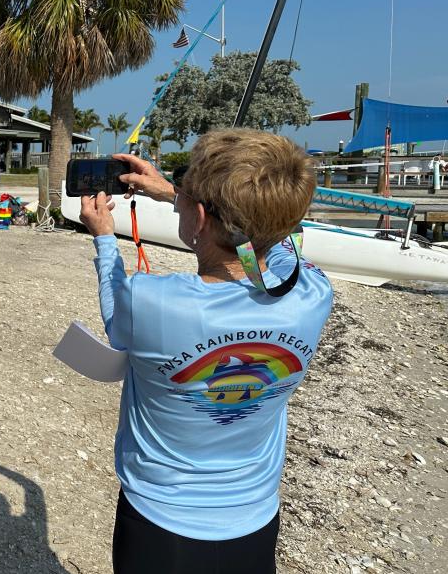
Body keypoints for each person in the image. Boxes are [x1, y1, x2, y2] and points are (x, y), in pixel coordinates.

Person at [78, 129, 333, 574]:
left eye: (184, 201)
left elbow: (116, 317)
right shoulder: (312, 293)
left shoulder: (150, 301)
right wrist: (176, 193)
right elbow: (267, 244)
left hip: (159, 521)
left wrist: (104, 237)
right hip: (255, 516)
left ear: (198, 218)